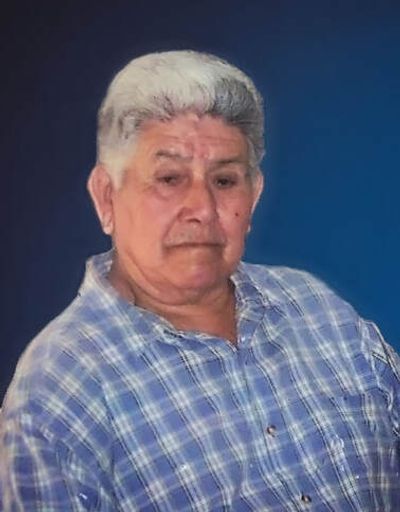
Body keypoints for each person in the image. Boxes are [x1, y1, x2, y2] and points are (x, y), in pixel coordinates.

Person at [0, 50, 399, 511]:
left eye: (224, 181)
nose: (203, 209)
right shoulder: (56, 396)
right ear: (106, 197)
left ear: (254, 195)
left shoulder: (317, 309)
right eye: (170, 178)